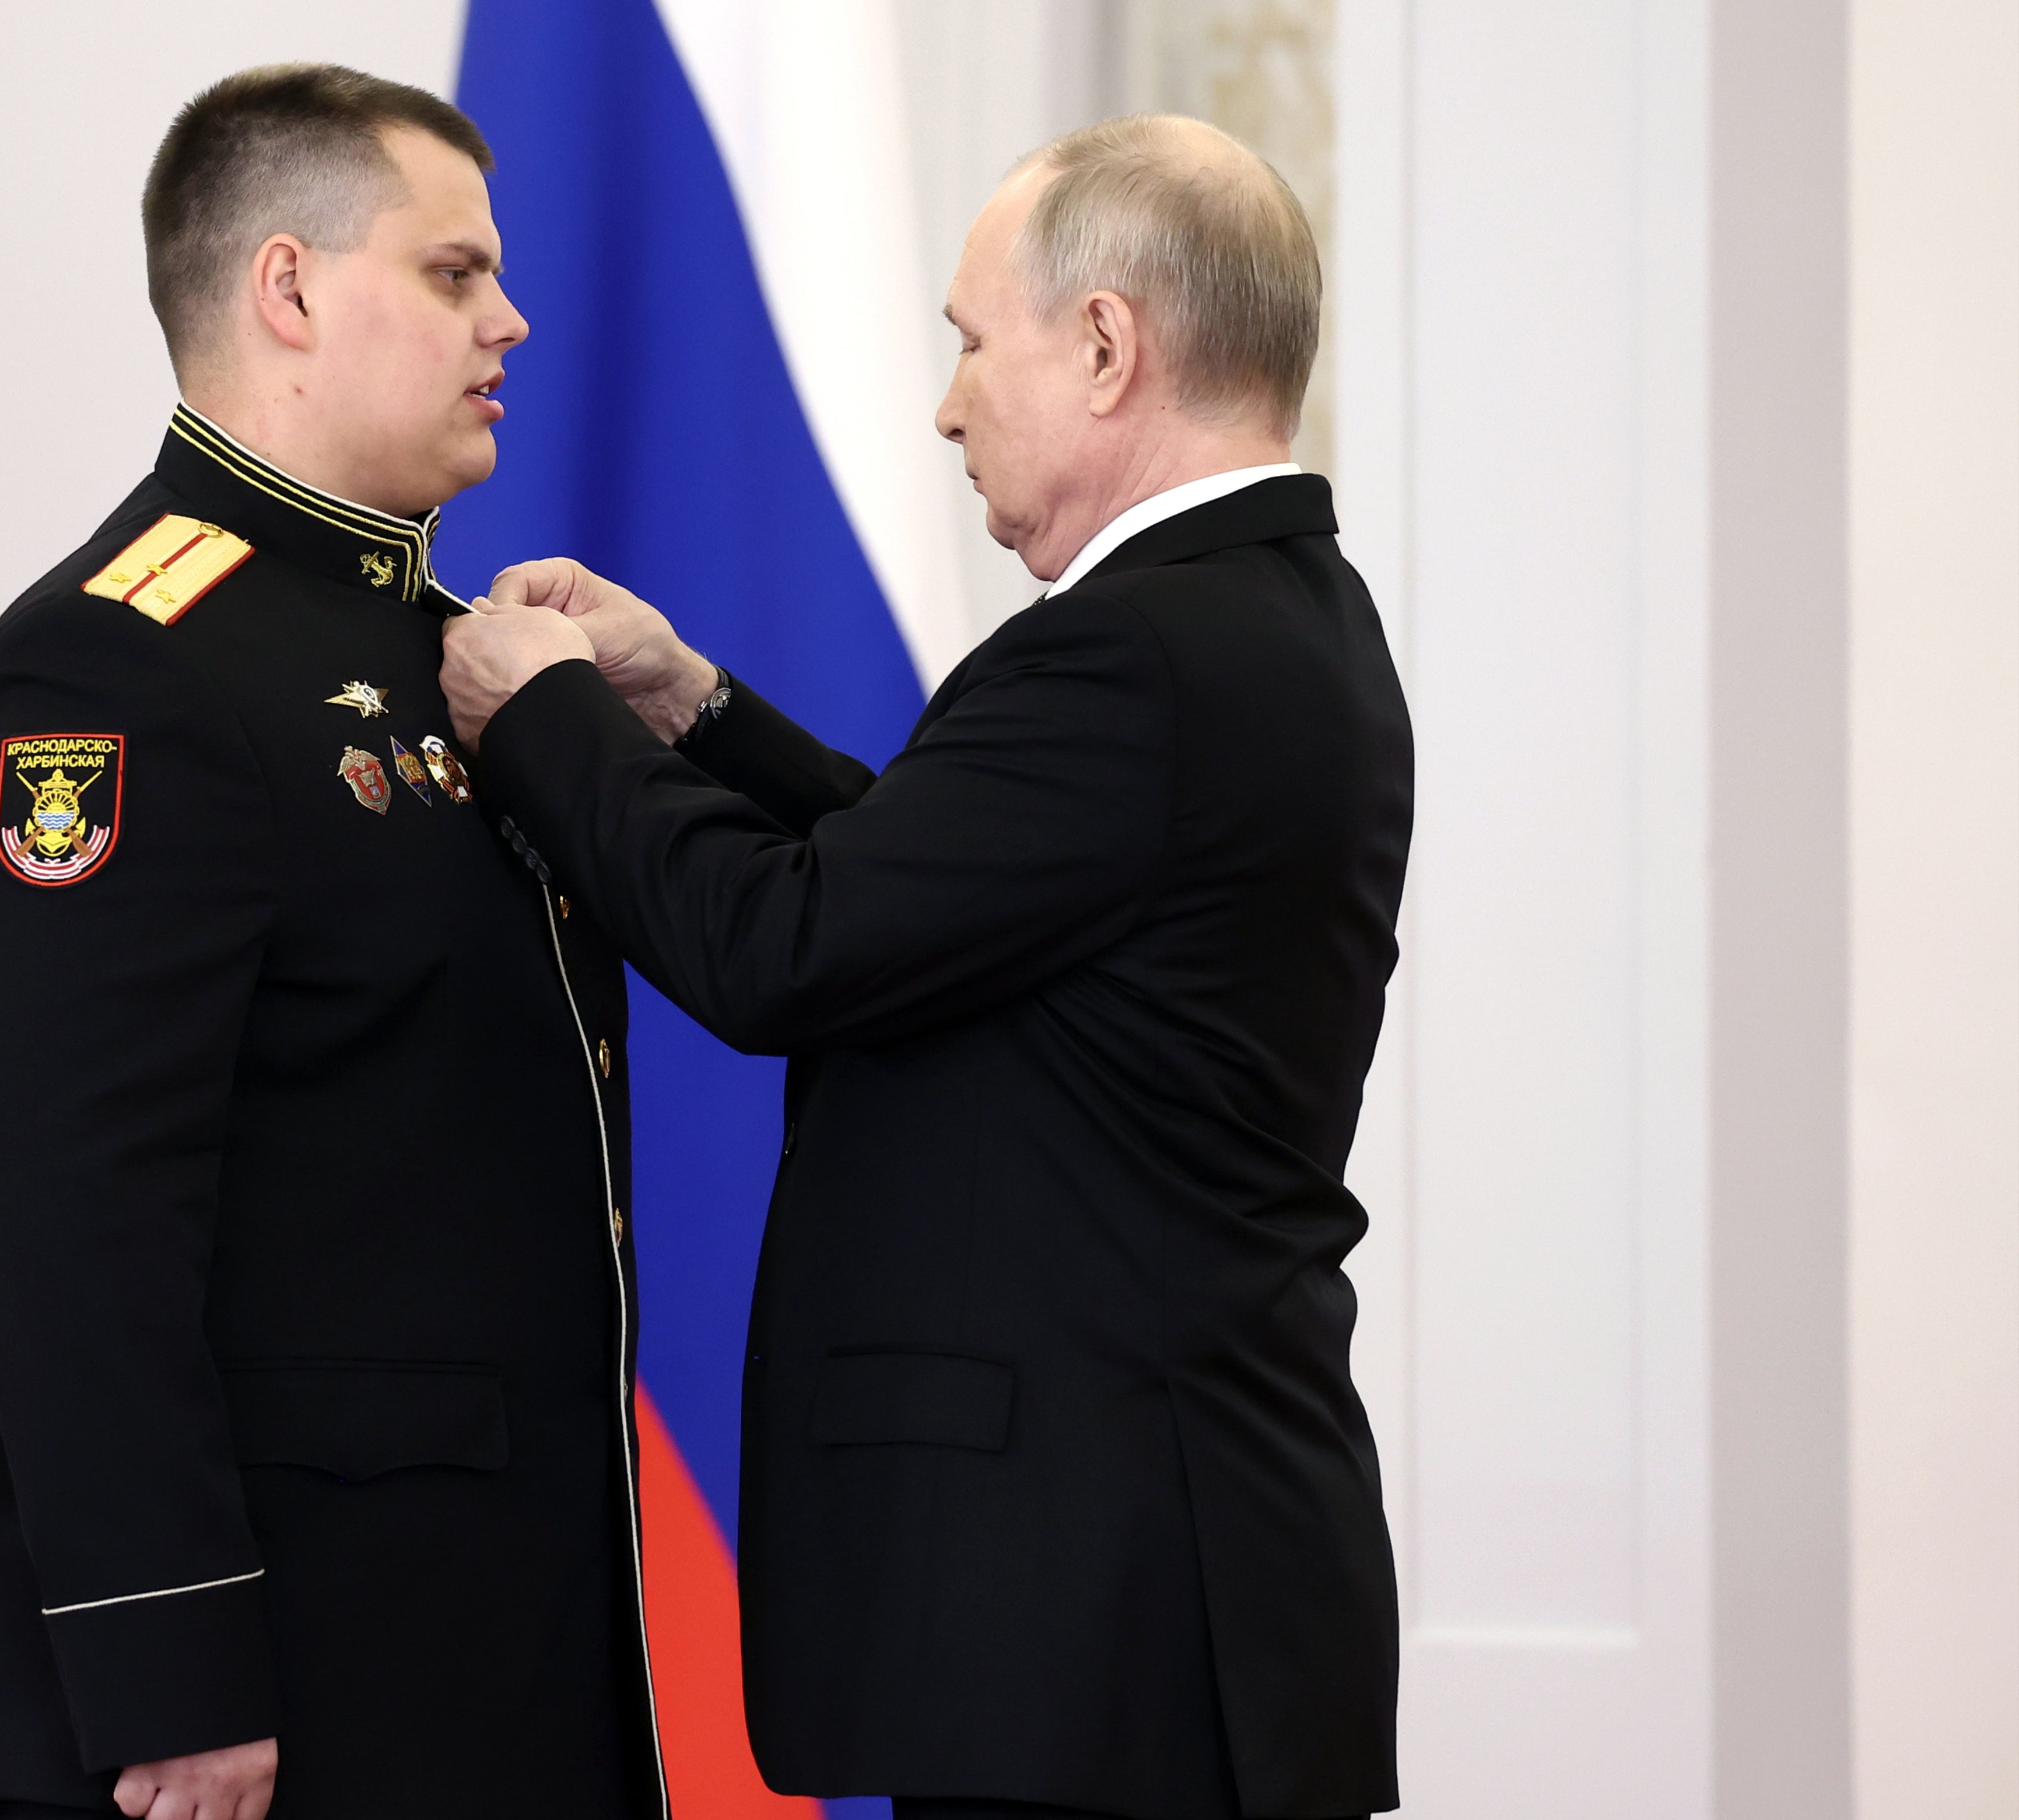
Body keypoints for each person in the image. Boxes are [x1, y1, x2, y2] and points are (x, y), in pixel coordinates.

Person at [440, 116, 1409, 1820]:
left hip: (1093, 1619)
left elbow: (786, 948)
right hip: (1157, 1595)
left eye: (973, 343)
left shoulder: (1135, 651)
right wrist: (700, 712)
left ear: (1108, 346)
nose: (948, 403)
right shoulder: (1268, 619)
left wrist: (550, 721)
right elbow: (970, 900)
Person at [0, 65, 662, 1820]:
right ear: (292, 290)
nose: (513, 318)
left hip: (470, 1634)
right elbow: (70, 1208)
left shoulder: (451, 650)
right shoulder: (108, 675)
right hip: (257, 1690)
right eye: (456, 273)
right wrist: (163, 1652)